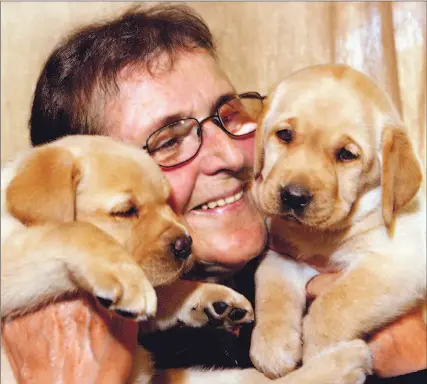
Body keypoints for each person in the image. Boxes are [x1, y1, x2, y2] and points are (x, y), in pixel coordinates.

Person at [12, 3, 427, 381]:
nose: (229, 153)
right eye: (169, 141)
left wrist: (412, 360)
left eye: (229, 114)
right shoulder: (56, 336)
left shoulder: (330, 254)